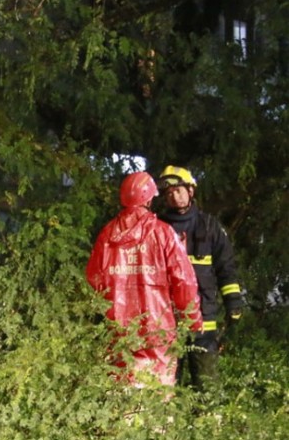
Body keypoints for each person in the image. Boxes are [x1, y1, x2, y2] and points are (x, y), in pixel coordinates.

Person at [86, 171, 202, 386]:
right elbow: (184, 281)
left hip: (119, 329)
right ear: (149, 198)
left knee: (123, 393)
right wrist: (193, 320)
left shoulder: (107, 235)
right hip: (158, 328)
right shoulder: (164, 233)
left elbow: (94, 279)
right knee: (157, 394)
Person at [156, 166, 245, 389]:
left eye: (178, 191)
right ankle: (165, 422)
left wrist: (233, 302)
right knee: (165, 380)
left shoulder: (210, 226)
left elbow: (226, 268)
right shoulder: (157, 228)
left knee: (206, 380)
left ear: (190, 191)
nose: (173, 196)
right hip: (166, 317)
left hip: (203, 316)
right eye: (168, 193)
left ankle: (209, 420)